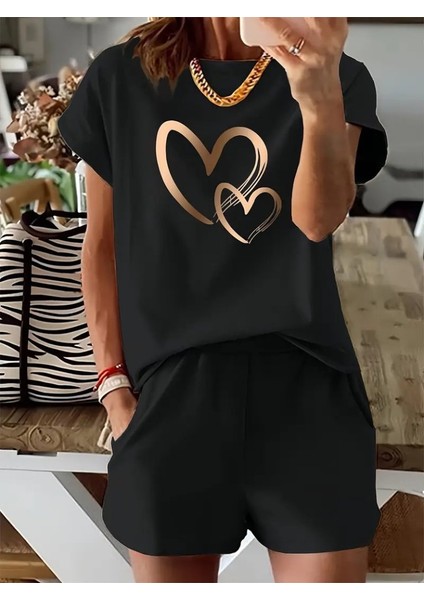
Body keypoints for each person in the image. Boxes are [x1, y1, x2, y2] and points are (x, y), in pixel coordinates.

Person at [58, 17, 387, 583]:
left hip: (308, 388)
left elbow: (318, 221)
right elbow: (102, 244)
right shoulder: (120, 77)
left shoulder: (337, 72)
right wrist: (112, 386)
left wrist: (317, 97)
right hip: (171, 391)